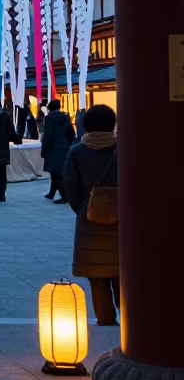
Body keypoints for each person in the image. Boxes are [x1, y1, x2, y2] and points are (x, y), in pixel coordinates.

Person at [62, 104, 119, 326]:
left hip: (90, 218)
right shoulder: (125, 147)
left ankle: (105, 319)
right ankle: (132, 322)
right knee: (124, 273)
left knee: (97, 276)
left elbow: (70, 185)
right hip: (123, 218)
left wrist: (84, 209)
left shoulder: (77, 151)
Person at [41, 99, 75, 201]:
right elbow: (71, 133)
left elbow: (48, 135)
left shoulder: (49, 119)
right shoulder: (65, 118)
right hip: (64, 147)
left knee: (55, 173)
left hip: (53, 148)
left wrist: (45, 150)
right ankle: (52, 193)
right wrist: (68, 143)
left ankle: (64, 196)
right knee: (58, 172)